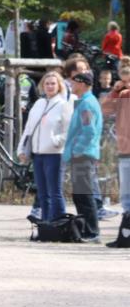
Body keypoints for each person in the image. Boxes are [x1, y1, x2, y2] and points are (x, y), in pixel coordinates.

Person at [18, 71, 73, 224]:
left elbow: (68, 131)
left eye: (53, 83)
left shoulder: (63, 105)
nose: (50, 86)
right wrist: (22, 149)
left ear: (59, 86)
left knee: (55, 192)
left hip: (54, 154)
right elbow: (28, 128)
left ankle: (59, 224)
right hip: (38, 154)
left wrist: (56, 141)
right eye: (47, 83)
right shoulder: (38, 104)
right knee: (42, 193)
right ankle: (46, 224)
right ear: (42, 86)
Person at [63, 72, 104, 242]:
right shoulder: (84, 102)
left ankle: (92, 232)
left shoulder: (87, 104)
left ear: (82, 84)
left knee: (84, 194)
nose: (71, 85)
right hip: (81, 154)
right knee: (79, 194)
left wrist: (77, 150)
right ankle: (86, 229)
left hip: (83, 155)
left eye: (74, 82)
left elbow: (89, 131)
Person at [101, 60, 130, 247]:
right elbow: (105, 109)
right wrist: (114, 91)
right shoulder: (121, 94)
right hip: (124, 149)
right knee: (126, 196)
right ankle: (125, 234)